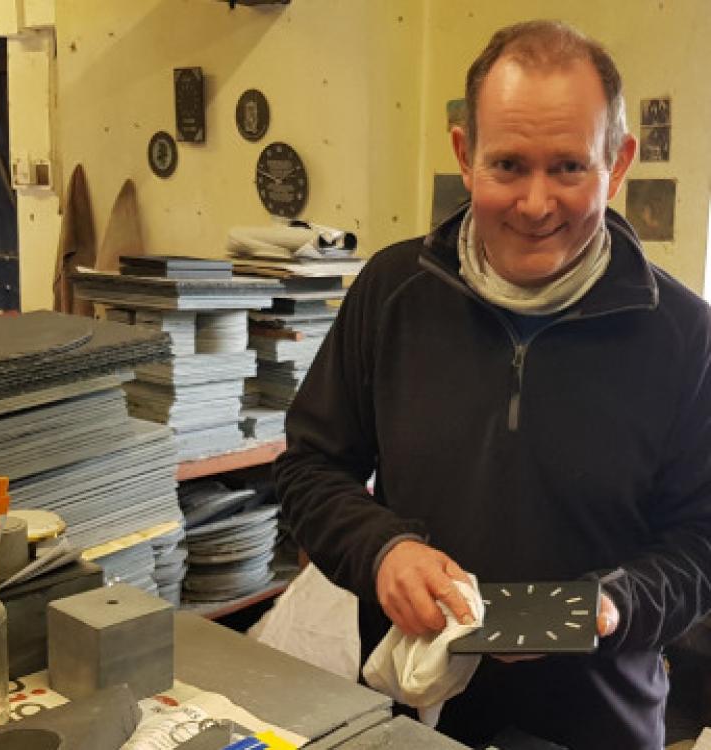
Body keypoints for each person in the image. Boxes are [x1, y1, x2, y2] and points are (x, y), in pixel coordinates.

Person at [274, 19, 711, 750]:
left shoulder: (687, 336)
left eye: (569, 168)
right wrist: (383, 551)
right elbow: (309, 469)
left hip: (600, 724)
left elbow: (701, 541)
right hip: (414, 715)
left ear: (618, 164)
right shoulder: (391, 292)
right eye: (508, 165)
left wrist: (614, 605)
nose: (536, 204)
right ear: (464, 154)